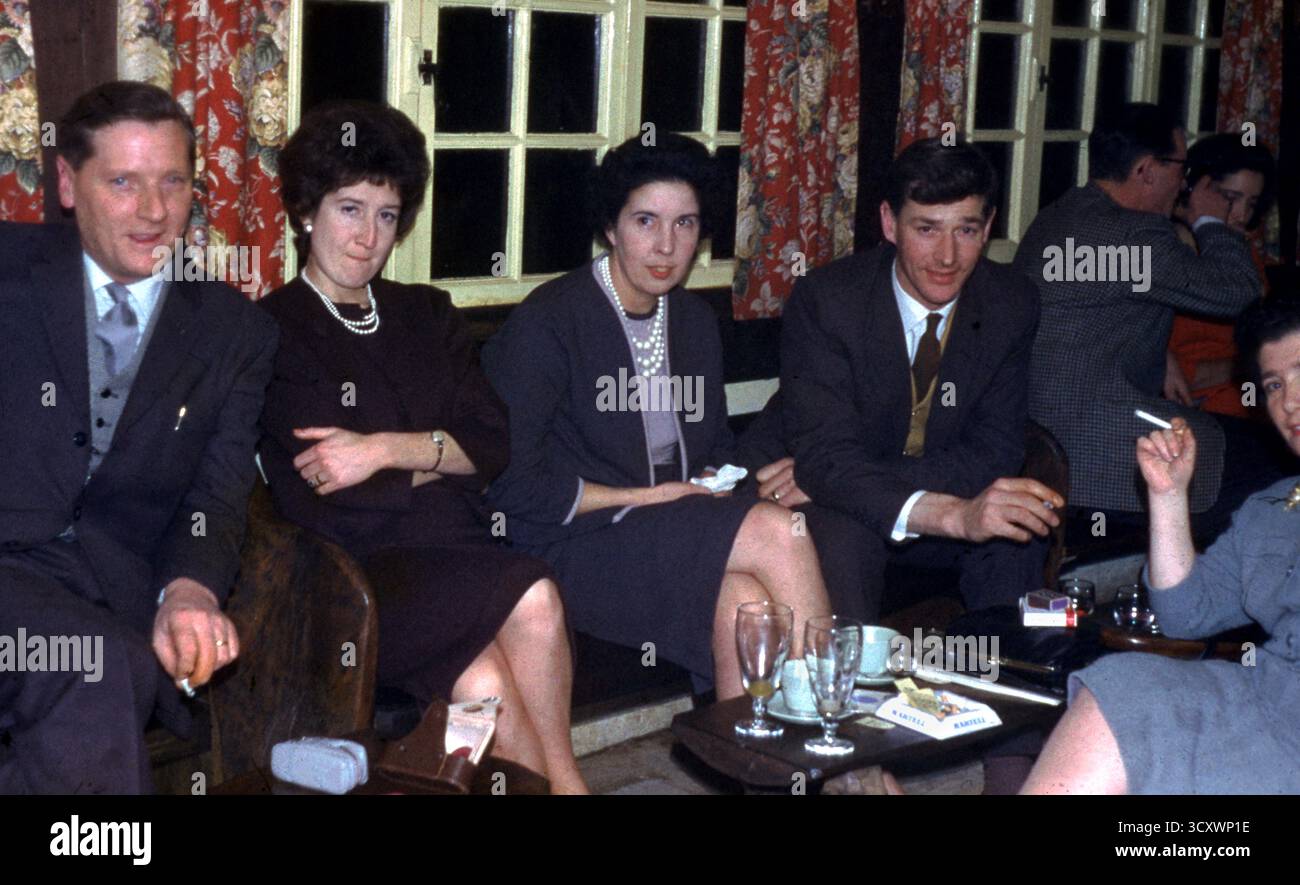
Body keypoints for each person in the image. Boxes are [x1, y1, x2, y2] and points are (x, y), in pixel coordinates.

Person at [257, 101, 587, 793]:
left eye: (386, 214)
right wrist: (443, 454)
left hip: (460, 549)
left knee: (486, 682)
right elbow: (323, 493)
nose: (367, 235)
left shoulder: (426, 313)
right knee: (534, 595)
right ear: (305, 211)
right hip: (359, 580)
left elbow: (494, 445)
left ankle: (555, 785)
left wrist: (382, 449)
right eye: (349, 208)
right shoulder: (271, 330)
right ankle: (571, 785)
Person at [482, 133, 833, 698]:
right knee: (779, 532)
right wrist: (648, 499)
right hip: (574, 543)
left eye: (685, 224)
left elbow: (715, 444)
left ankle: (771, 769)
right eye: (646, 221)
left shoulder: (693, 321)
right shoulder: (549, 322)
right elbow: (511, 483)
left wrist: (729, 483)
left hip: (668, 529)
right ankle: (841, 753)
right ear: (610, 227)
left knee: (745, 605)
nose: (666, 246)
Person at [0, 81, 278, 793]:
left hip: (110, 596)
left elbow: (216, 494)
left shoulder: (233, 330)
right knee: (98, 667)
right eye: (122, 183)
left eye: (173, 183)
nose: (153, 212)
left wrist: (188, 591)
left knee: (101, 665)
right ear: (66, 183)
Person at [1022, 294, 1300, 794]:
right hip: (1271, 693)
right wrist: (1169, 496)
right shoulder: (1275, 508)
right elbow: (1185, 614)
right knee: (1124, 685)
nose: (1289, 402)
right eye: (1275, 384)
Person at [778, 137, 1062, 619]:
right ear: (890, 223)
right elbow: (828, 455)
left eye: (967, 230)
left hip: (902, 490)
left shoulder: (1010, 303)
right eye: (927, 229)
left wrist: (839, 480)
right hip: (844, 513)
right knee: (842, 538)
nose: (947, 256)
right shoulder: (829, 301)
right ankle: (853, 690)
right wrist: (836, 481)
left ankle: (1007, 686)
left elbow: (995, 451)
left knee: (1016, 537)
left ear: (988, 226)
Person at [1015, 103, 1268, 543]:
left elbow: (1097, 298)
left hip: (1038, 436)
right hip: (1098, 446)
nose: (1184, 182)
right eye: (1181, 168)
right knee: (1273, 466)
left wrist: (1164, 351)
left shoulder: (1059, 216)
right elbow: (1237, 292)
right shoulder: (1135, 235)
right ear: (1147, 170)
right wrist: (1209, 217)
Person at [1165, 134, 1277, 418]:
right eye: (1230, 198)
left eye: (1251, 204)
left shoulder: (1241, 255)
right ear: (1191, 189)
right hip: (1197, 409)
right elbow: (1170, 375)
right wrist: (1250, 366)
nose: (1240, 215)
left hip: (1248, 397)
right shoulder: (1164, 257)